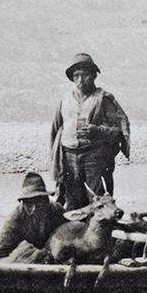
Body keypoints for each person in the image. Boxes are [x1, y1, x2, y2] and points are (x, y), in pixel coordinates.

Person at [49, 53, 130, 210]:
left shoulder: (103, 98)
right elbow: (56, 128)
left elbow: (117, 130)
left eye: (84, 75)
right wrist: (55, 160)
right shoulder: (65, 99)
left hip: (94, 157)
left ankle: (101, 231)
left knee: (98, 199)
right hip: (68, 157)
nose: (80, 80)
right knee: (72, 201)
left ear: (93, 75)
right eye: (76, 76)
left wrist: (97, 130)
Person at [0, 172, 67, 263]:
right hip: (23, 261)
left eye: (38, 202)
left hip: (48, 256)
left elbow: (73, 230)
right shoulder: (16, 218)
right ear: (23, 203)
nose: (34, 208)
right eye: (29, 203)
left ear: (46, 200)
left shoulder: (56, 210)